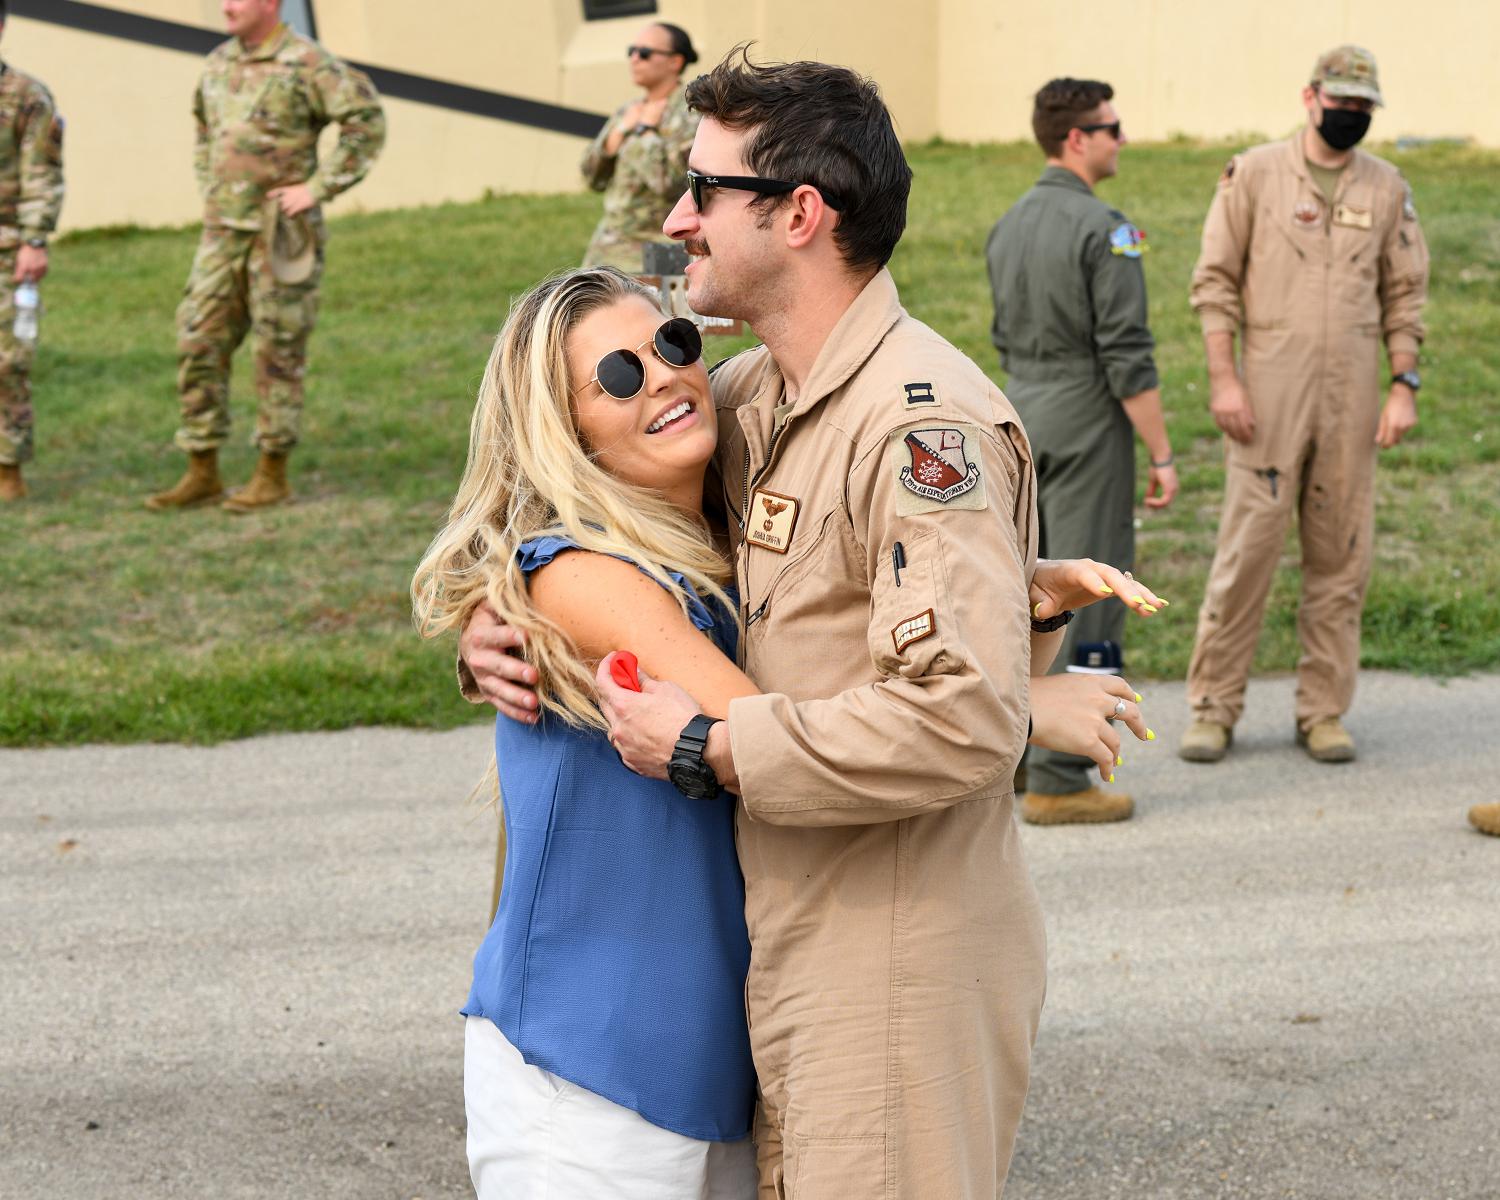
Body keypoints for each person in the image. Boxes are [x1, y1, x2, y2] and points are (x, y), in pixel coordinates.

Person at [461, 52, 1162, 1199]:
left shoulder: (915, 430)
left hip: (891, 956)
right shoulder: (752, 398)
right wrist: (498, 622)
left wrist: (709, 746)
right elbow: (561, 498)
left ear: (797, 213)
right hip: (785, 953)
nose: (679, 217)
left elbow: (957, 720)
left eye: (706, 189)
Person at [413, 267, 759, 1198]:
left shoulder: (734, 553)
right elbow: (767, 738)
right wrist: (1001, 716)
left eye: (675, 345)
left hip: (722, 1073)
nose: (664, 377)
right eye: (616, 373)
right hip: (583, 1084)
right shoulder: (575, 573)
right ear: (565, 429)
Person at [1178, 45, 1428, 765]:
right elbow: (1215, 281)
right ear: (1310, 96)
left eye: (1362, 107)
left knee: (1340, 559)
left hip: (1349, 397)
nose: (1350, 115)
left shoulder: (1387, 188)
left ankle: (1322, 712)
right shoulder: (1254, 173)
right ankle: (1213, 707)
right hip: (1268, 394)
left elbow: (1405, 293)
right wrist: (1225, 380)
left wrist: (1402, 385)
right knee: (1246, 553)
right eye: (1340, 102)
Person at [985, 77, 1177, 825]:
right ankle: (1063, 775)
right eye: (1112, 127)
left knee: (1029, 591)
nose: (1121, 139)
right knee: (1093, 587)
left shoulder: (1009, 224)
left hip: (1022, 414)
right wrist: (1161, 452)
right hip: (1091, 418)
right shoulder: (1108, 227)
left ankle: (1018, 749)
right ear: (1077, 138)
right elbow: (1127, 352)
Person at [145, 0, 384, 513]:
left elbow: (365, 121)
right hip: (222, 231)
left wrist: (318, 187)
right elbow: (205, 130)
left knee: (277, 351)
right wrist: (212, 187)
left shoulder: (308, 62)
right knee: (198, 338)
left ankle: (272, 473)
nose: (225, 6)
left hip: (281, 233)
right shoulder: (216, 63)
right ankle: (201, 470)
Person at [0, 0, 64, 504]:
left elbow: (41, 173)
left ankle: (7, 469)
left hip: (6, 246)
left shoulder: (25, 96)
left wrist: (34, 240)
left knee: (5, 361)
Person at [580, 22, 699, 271]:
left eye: (644, 53)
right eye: (631, 51)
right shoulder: (628, 112)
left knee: (663, 311)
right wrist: (619, 133)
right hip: (610, 247)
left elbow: (669, 185)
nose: (634, 59)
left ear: (675, 62)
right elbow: (591, 178)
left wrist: (646, 131)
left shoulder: (692, 115)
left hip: (663, 247)